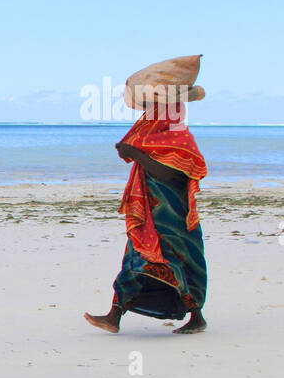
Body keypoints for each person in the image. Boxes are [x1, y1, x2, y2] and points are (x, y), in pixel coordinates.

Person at [85, 55, 209, 335]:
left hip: (173, 219)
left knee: (184, 263)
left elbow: (169, 173)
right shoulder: (153, 137)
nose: (151, 114)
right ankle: (114, 315)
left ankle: (196, 317)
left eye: (157, 108)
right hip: (151, 216)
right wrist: (135, 152)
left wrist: (136, 154)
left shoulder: (181, 138)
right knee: (135, 260)